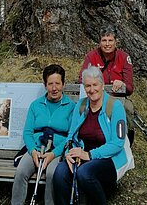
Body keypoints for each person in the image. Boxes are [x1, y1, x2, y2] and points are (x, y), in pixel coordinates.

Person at [53, 66, 134, 205]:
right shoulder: (81, 105)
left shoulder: (114, 107)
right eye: (88, 86)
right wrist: (69, 153)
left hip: (109, 158)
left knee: (84, 173)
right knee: (59, 172)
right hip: (82, 154)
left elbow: (117, 143)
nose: (92, 90)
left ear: (102, 85)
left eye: (95, 85)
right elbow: (71, 136)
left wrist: (89, 155)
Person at [11, 64, 76, 205]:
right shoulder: (36, 105)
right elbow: (27, 132)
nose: (54, 88)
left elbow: (71, 137)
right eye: (50, 84)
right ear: (45, 85)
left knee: (52, 174)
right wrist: (33, 151)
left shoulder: (71, 107)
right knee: (21, 172)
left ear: (63, 84)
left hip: (58, 150)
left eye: (57, 83)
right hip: (37, 147)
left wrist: (54, 154)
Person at [78, 26, 134, 96]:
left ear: (116, 42)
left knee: (128, 107)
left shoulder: (124, 57)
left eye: (110, 40)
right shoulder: (91, 56)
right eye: (104, 40)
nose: (107, 44)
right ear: (100, 42)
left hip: (117, 98)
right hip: (95, 97)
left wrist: (122, 84)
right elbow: (82, 80)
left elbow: (130, 88)